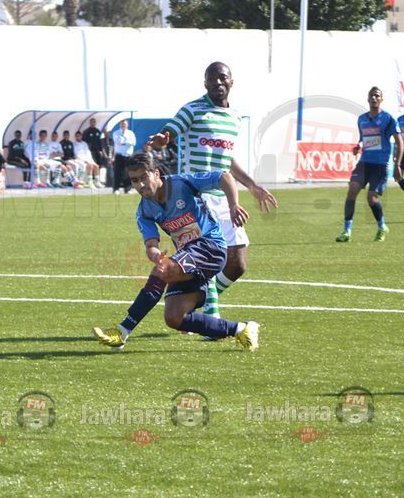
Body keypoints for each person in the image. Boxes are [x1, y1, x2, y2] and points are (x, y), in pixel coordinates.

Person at [149, 62, 277, 324]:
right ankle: (212, 324)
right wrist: (163, 138)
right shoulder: (193, 110)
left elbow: (226, 160)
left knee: (238, 262)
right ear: (205, 83)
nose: (218, 82)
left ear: (231, 81)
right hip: (194, 197)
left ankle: (200, 300)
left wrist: (252, 185)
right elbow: (170, 130)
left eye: (222, 77)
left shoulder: (234, 118)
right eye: (212, 78)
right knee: (208, 259)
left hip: (223, 195)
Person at [93, 153, 259, 352]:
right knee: (174, 317)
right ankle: (241, 329)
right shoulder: (144, 211)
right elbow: (151, 244)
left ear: (156, 174)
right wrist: (154, 253)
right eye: (135, 180)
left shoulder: (182, 183)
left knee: (163, 270)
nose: (140, 185)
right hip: (189, 256)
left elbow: (224, 176)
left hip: (210, 247)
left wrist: (233, 205)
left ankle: (122, 330)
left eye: (144, 177)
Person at [336, 86, 403, 242]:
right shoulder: (362, 119)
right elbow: (363, 138)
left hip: (380, 164)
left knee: (371, 198)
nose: (374, 98)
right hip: (364, 163)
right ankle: (346, 232)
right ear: (367, 99)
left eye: (377, 95)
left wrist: (398, 165)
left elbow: (400, 142)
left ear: (381, 99)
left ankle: (381, 227)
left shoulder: (388, 119)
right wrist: (358, 146)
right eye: (372, 95)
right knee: (352, 191)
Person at [111, 119, 137, 193]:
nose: (123, 125)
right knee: (118, 173)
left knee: (129, 172)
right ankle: (116, 189)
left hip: (128, 155)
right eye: (122, 124)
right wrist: (127, 142)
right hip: (119, 155)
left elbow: (133, 142)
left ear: (127, 125)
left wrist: (124, 142)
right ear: (120, 125)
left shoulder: (131, 133)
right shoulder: (116, 133)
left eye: (125, 124)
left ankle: (127, 189)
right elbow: (118, 142)